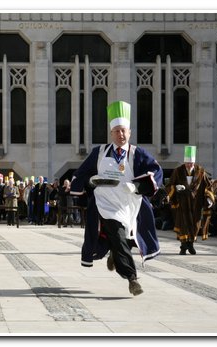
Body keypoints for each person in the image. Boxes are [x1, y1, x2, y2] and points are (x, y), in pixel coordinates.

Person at [70, 100, 162, 296]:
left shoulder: (137, 154)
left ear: (129, 133)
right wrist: (90, 181)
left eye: (124, 131)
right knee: (118, 235)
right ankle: (132, 278)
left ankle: (114, 252)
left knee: (125, 240)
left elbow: (156, 171)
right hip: (105, 204)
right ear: (111, 133)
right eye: (117, 131)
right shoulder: (99, 152)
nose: (121, 135)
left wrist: (136, 186)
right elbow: (82, 173)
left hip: (129, 205)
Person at [166, 146, 214, 255]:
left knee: (195, 225)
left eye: (191, 163)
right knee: (183, 225)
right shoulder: (178, 171)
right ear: (184, 162)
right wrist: (176, 188)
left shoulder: (201, 171)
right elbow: (169, 185)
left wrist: (209, 198)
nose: (189, 165)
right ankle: (183, 247)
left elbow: (208, 186)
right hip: (182, 203)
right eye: (187, 163)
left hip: (196, 203)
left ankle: (191, 244)